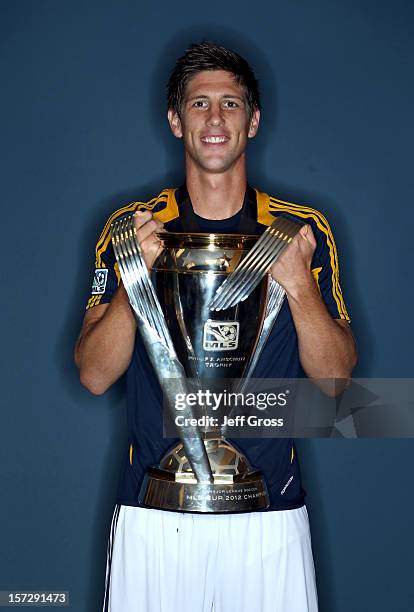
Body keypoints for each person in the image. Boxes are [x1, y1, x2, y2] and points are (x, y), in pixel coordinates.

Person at [75, 41, 357, 612]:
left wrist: (299, 285)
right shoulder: (132, 229)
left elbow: (335, 386)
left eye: (230, 104)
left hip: (269, 518)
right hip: (154, 517)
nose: (215, 119)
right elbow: (95, 376)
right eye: (199, 104)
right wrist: (136, 279)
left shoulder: (302, 231)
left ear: (253, 120)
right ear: (176, 120)